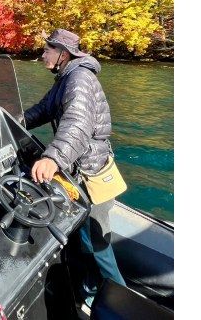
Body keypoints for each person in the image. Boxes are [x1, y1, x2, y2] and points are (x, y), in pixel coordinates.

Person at [23, 28, 126, 308]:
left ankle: (120, 304)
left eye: (47, 49)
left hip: (90, 172)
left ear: (62, 54)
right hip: (80, 170)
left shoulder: (79, 79)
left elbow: (78, 125)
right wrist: (12, 119)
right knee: (83, 237)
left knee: (97, 243)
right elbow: (43, 109)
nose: (42, 54)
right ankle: (90, 287)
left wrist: (53, 158)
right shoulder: (65, 78)